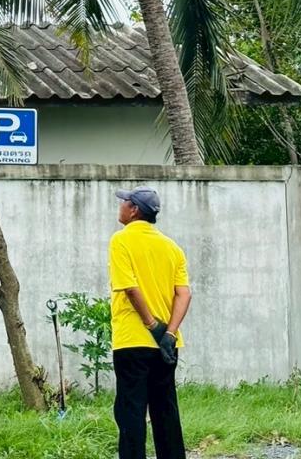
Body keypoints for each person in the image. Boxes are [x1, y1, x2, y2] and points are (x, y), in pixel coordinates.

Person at [109, 187, 192, 459]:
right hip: (167, 345)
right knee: (165, 408)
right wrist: (168, 333)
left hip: (133, 340)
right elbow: (184, 293)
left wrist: (152, 325)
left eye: (124, 202)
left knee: (131, 410)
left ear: (133, 210)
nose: (120, 205)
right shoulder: (172, 247)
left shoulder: (121, 241)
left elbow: (130, 289)